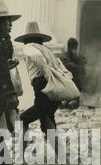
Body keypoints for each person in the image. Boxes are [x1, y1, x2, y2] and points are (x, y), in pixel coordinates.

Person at [16, 21, 72, 153]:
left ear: (26, 39)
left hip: (42, 85)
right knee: (47, 119)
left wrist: (48, 78)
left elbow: (40, 62)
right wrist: (64, 79)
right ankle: (62, 157)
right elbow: (62, 68)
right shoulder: (48, 50)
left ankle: (21, 158)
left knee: (24, 119)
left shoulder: (29, 48)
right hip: (53, 87)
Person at [61, 38, 87, 108]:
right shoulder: (64, 56)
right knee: (66, 104)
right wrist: (78, 64)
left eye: (75, 48)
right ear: (69, 47)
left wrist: (77, 58)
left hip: (77, 84)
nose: (74, 50)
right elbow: (70, 66)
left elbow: (85, 61)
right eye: (72, 48)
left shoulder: (78, 55)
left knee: (76, 105)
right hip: (67, 84)